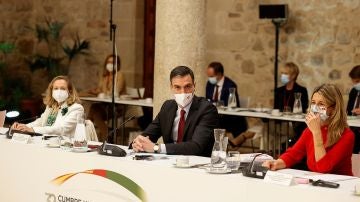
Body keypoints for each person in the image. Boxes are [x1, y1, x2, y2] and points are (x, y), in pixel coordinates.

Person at [263, 84, 355, 176]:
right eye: (313, 103)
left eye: (321, 104)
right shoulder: (310, 130)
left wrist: (316, 132)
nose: (315, 108)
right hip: (318, 181)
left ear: (334, 109)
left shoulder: (346, 135)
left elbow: (323, 168)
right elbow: (294, 153)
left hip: (341, 185)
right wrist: (276, 163)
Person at [131, 66, 218, 156]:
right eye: (177, 87)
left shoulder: (207, 109)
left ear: (194, 86)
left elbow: (196, 146)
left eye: (187, 86)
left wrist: (156, 148)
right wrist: (138, 143)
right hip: (170, 163)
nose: (183, 92)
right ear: (171, 87)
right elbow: (148, 135)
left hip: (196, 165)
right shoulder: (167, 107)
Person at [12, 75, 84, 137]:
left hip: (65, 146)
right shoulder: (51, 106)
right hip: (46, 141)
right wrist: (23, 127)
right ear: (51, 90)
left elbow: (62, 129)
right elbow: (41, 121)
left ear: (70, 91)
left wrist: (33, 130)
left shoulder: (77, 108)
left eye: (63, 88)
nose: (59, 91)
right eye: (56, 88)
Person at [205, 61, 250, 147]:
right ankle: (210, 145)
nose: (209, 78)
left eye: (211, 76)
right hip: (214, 114)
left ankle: (220, 146)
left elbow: (232, 105)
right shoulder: (209, 83)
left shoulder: (230, 85)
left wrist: (217, 104)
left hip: (228, 117)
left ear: (219, 74)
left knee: (214, 122)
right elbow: (207, 99)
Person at [85, 54, 126, 141]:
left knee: (94, 110)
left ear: (117, 64)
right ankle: (106, 135)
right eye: (108, 62)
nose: (110, 64)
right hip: (105, 106)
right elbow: (100, 89)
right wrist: (94, 91)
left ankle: (87, 134)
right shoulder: (104, 76)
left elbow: (116, 91)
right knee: (95, 109)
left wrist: (102, 92)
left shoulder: (120, 75)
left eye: (112, 62)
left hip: (117, 107)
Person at [274, 62, 309, 146]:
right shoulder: (279, 91)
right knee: (267, 126)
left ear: (293, 75)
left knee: (266, 128)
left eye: (285, 73)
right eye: (282, 73)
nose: (282, 76)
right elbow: (275, 108)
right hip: (281, 122)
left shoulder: (301, 90)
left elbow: (304, 108)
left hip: (295, 123)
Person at [346, 65, 360, 153]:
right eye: (354, 82)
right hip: (353, 128)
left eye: (357, 81)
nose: (355, 84)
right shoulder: (354, 91)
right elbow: (348, 111)